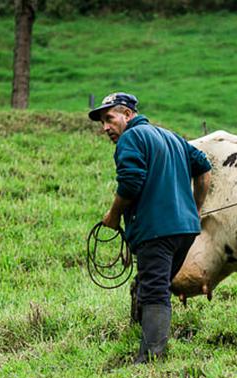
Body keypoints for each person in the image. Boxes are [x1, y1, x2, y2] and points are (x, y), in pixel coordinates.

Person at [89, 92, 211, 363]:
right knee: (154, 282)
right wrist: (195, 209)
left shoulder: (131, 137)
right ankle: (143, 340)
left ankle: (151, 356)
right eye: (102, 123)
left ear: (128, 115)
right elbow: (204, 167)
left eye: (109, 119)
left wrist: (113, 215)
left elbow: (131, 182)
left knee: (155, 287)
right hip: (185, 230)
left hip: (157, 230)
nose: (105, 128)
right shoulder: (172, 137)